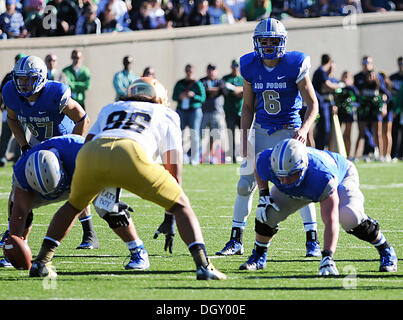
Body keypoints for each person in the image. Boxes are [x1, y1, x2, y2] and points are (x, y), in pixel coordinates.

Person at [29, 77, 226, 281]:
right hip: (131, 151)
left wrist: (97, 182)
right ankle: (203, 265)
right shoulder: (165, 113)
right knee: (182, 204)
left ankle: (42, 261)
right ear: (158, 97)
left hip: (91, 153)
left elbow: (86, 141)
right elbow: (173, 167)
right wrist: (170, 213)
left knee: (73, 206)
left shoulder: (111, 106)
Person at [216, 18, 320, 260]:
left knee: (300, 185)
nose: (269, 45)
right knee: (244, 186)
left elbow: (312, 104)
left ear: (282, 42)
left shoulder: (295, 63)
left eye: (274, 41)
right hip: (262, 130)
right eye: (265, 40)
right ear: (257, 42)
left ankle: (312, 240)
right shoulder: (250, 65)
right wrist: (244, 137)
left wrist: (304, 130)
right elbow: (248, 105)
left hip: (289, 130)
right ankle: (236, 239)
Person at [246, 138, 397, 274]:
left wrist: (327, 257)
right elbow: (258, 164)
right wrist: (264, 194)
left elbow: (331, 220)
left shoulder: (322, 176)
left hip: (341, 177)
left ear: (303, 167)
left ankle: (386, 249)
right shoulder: (266, 161)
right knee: (268, 212)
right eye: (280, 176)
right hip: (307, 184)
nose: (284, 181)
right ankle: (259, 256)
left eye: (291, 175)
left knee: (349, 216)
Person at [0, 55, 95, 251]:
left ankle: (89, 233)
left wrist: (72, 146)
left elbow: (82, 118)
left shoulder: (54, 93)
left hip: (64, 139)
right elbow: (11, 119)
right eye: (21, 79)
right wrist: (24, 146)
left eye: (29, 79)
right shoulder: (11, 92)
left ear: (41, 78)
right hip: (37, 141)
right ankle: (14, 234)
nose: (24, 84)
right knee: (19, 185)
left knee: (77, 185)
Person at [0, 134, 99, 268]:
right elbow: (19, 212)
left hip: (74, 176)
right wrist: (14, 243)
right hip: (44, 178)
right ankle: (23, 243)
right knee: (20, 207)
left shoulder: (80, 153)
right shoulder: (21, 171)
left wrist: (113, 196)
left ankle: (135, 249)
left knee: (109, 208)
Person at [353, 56, 390, 161]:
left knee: (377, 132)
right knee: (361, 133)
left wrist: (384, 104)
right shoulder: (358, 77)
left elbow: (385, 93)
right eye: (364, 62)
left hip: (374, 107)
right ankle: (356, 156)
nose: (366, 64)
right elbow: (356, 92)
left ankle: (381, 155)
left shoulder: (377, 76)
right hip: (363, 107)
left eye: (368, 62)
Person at [172, 64, 206, 165]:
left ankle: (194, 159)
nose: (189, 72)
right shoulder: (180, 83)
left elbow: (203, 98)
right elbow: (174, 97)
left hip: (194, 111)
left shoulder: (197, 83)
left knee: (194, 134)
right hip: (181, 110)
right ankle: (180, 158)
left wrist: (193, 96)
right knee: (179, 134)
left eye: (190, 70)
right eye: (187, 70)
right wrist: (180, 96)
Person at [312, 54, 342, 151]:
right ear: (329, 62)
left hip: (326, 104)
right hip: (321, 104)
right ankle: (319, 148)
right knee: (324, 128)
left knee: (326, 128)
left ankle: (324, 147)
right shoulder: (320, 71)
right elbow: (327, 86)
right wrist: (340, 85)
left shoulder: (323, 73)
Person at [0, 53, 25, 168]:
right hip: (8, 109)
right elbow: (1, 92)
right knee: (5, 134)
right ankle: (2, 157)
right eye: (17, 60)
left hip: (22, 110)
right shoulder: (9, 76)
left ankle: (18, 158)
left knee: (21, 134)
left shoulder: (26, 76)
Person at [200, 63, 226, 164]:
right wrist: (215, 91)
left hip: (217, 112)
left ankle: (210, 156)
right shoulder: (202, 81)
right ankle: (199, 154)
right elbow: (204, 91)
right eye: (209, 70)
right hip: (204, 112)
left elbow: (223, 90)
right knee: (201, 134)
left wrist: (212, 91)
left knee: (214, 135)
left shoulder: (219, 81)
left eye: (213, 70)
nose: (211, 72)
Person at [222, 59, 244, 163]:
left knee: (244, 134)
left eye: (237, 66)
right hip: (229, 110)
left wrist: (237, 89)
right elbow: (225, 90)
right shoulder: (226, 78)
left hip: (241, 111)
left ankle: (245, 155)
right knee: (231, 134)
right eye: (234, 66)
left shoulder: (243, 78)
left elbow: (245, 91)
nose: (235, 68)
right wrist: (237, 90)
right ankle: (232, 156)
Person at [333, 71, 359, 159]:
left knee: (348, 135)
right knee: (338, 134)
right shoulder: (339, 88)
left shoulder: (352, 89)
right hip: (339, 113)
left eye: (347, 77)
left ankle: (348, 155)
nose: (345, 79)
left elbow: (357, 100)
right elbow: (335, 98)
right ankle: (337, 153)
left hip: (348, 113)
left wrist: (351, 106)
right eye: (344, 77)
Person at [390, 57, 403, 160]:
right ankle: (394, 154)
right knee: (395, 132)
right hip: (397, 110)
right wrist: (396, 109)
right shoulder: (393, 78)